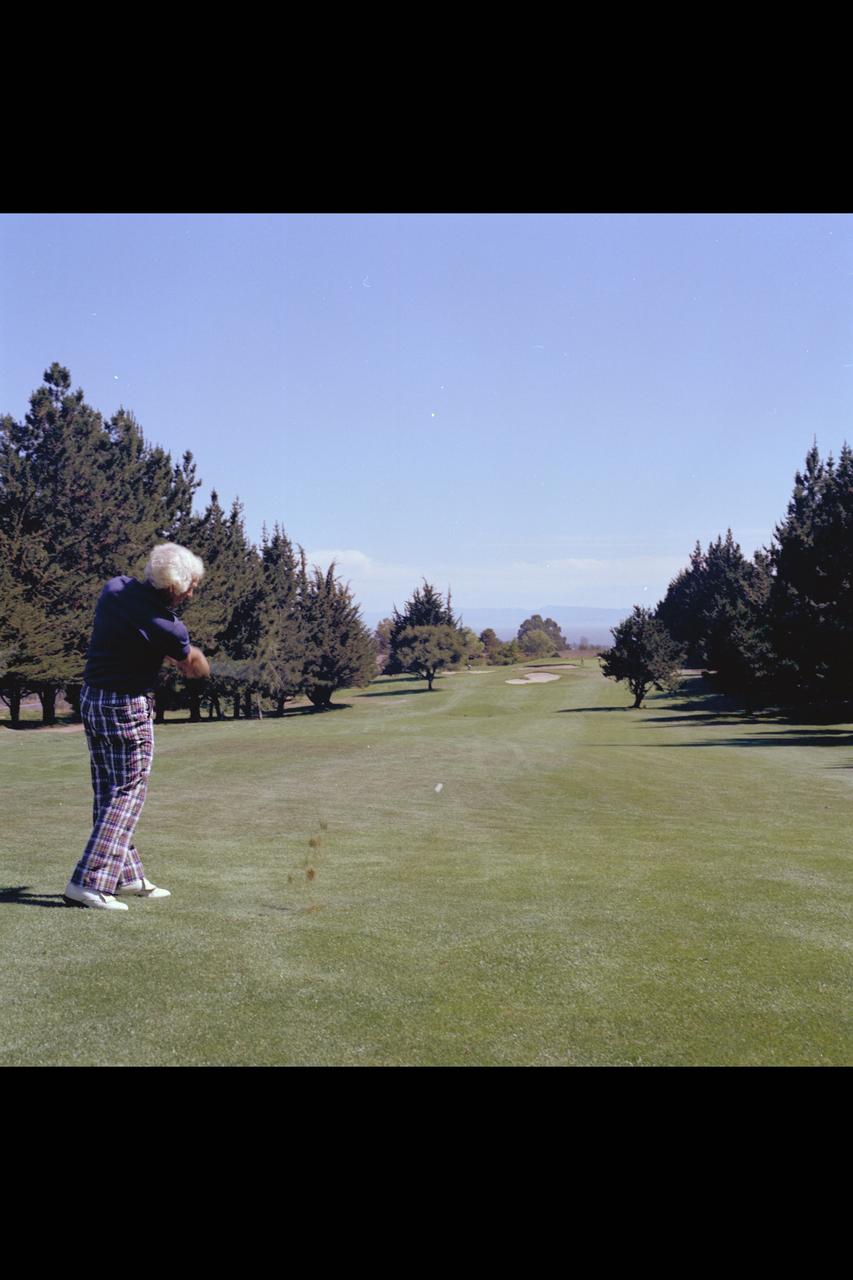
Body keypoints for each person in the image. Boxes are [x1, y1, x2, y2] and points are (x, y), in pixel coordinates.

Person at [63, 543, 210, 911]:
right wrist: (198, 663)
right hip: (126, 707)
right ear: (175, 588)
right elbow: (188, 664)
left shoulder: (114, 589)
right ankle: (90, 882)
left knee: (108, 790)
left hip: (93, 700)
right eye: (191, 585)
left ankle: (125, 875)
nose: (193, 591)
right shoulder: (170, 628)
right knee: (127, 793)